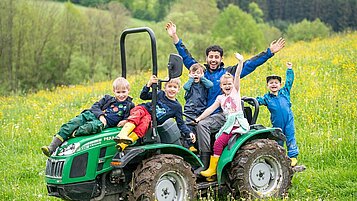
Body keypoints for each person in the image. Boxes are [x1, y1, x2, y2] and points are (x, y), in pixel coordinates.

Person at [165, 21, 286, 172]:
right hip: (203, 113)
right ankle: (184, 163)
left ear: (221, 59)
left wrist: (269, 52)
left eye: (216, 57)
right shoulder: (201, 72)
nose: (213, 59)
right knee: (180, 127)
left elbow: (250, 64)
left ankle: (204, 161)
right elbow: (186, 56)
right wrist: (175, 36)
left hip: (222, 113)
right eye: (211, 57)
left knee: (202, 125)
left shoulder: (227, 74)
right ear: (207, 58)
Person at [41, 77, 134, 157]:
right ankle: (51, 148)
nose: (121, 95)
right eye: (118, 92)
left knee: (89, 128)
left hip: (102, 123)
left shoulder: (129, 105)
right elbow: (95, 106)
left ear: (128, 90)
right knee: (71, 124)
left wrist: (125, 121)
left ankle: (71, 134)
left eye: (123, 92)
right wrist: (101, 115)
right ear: (114, 91)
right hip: (92, 114)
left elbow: (130, 118)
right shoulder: (107, 98)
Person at [195, 53, 250, 179]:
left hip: (236, 124)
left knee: (218, 143)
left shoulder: (235, 93)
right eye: (225, 85)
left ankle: (212, 169)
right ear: (221, 86)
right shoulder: (220, 98)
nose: (227, 86)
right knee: (217, 140)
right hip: (228, 123)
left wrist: (240, 62)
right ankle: (213, 168)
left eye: (229, 84)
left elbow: (237, 75)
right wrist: (199, 118)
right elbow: (210, 109)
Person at [113, 75, 196, 151]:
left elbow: (180, 123)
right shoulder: (159, 94)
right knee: (138, 115)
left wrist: (189, 133)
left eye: (175, 87)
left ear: (178, 89)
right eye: (169, 86)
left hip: (150, 118)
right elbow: (143, 96)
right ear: (165, 88)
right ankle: (122, 134)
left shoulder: (177, 107)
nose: (172, 89)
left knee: (144, 126)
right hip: (143, 109)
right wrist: (148, 85)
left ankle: (125, 143)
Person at [256, 62, 299, 166]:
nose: (274, 84)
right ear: (267, 86)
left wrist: (289, 69)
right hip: (277, 123)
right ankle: (279, 157)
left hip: (288, 120)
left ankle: (293, 156)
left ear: (280, 85)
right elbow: (258, 100)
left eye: (276, 82)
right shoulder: (267, 98)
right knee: (278, 139)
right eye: (271, 83)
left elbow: (289, 81)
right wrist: (251, 100)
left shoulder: (285, 92)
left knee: (290, 137)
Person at [183, 63, 213, 152]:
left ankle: (199, 147)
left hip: (201, 111)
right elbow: (185, 87)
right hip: (190, 111)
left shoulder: (204, 85)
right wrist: (191, 78)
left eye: (198, 73)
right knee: (190, 128)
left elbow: (210, 85)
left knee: (199, 129)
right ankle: (189, 145)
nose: (196, 74)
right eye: (193, 73)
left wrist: (202, 77)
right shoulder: (190, 85)